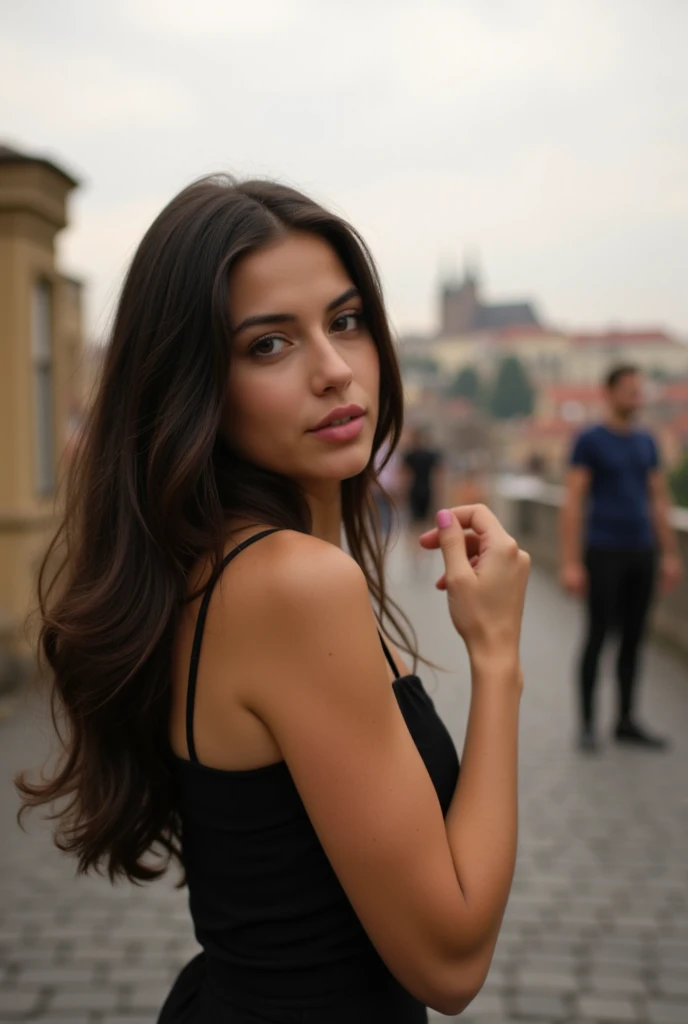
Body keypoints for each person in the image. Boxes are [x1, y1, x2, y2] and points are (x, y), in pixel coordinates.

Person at [16, 176, 530, 1023]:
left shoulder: (214, 564)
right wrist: (499, 657)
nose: (335, 372)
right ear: (193, 384)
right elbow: (450, 960)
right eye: (269, 345)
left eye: (346, 321)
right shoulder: (294, 584)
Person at [560, 364, 682, 753]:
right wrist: (571, 561)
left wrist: (669, 554)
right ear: (609, 393)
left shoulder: (647, 441)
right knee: (597, 636)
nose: (636, 396)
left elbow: (658, 499)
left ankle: (626, 720)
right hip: (603, 549)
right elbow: (574, 502)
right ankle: (587, 724)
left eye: (639, 389)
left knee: (634, 638)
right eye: (629, 390)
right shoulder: (590, 440)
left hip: (641, 549)